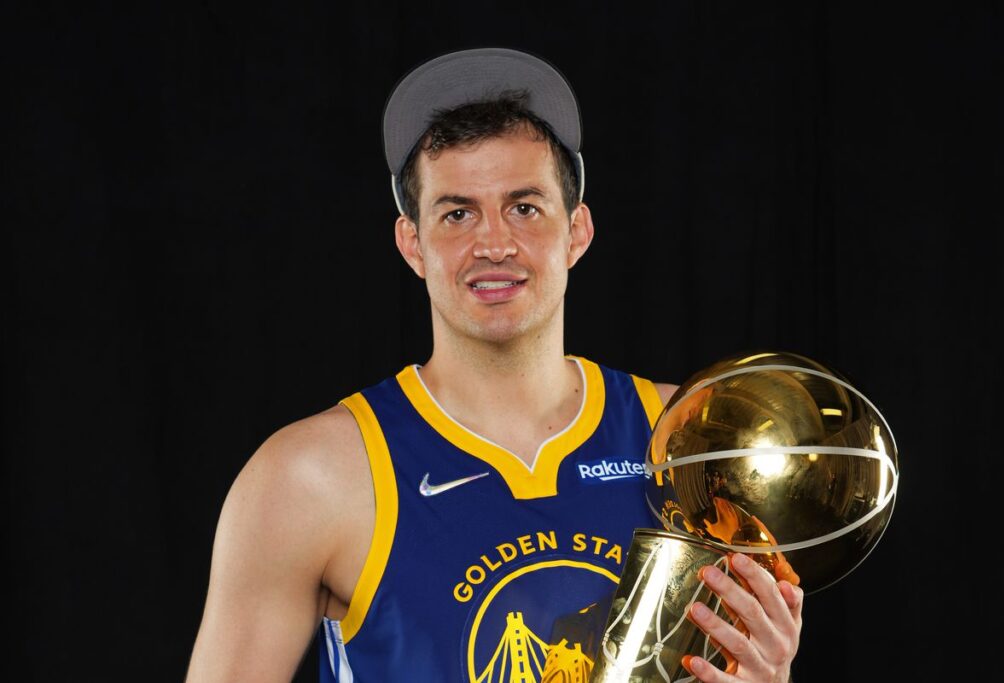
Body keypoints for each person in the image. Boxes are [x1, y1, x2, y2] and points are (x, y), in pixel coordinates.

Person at [186, 47, 803, 683]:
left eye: (524, 207)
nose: (493, 244)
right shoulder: (310, 478)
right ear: (412, 244)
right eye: (457, 213)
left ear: (577, 233)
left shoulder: (685, 440)